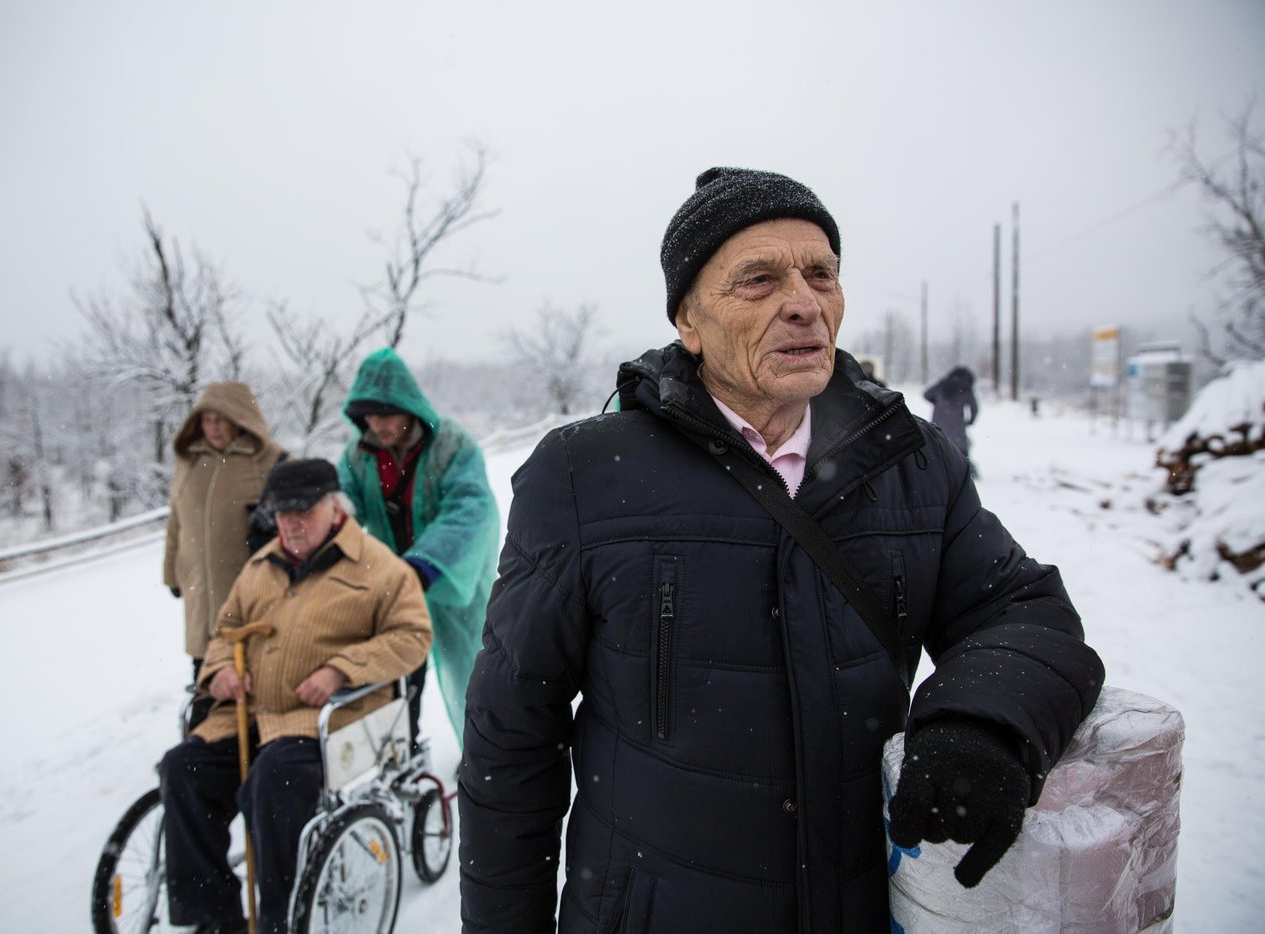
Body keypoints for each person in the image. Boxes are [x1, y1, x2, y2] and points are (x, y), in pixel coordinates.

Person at [459, 168, 1104, 933]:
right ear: (689, 323)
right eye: (758, 280)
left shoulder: (910, 461)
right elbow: (513, 735)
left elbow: (1022, 611)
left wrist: (984, 719)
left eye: (821, 274)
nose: (803, 301)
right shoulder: (585, 475)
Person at [159, 458, 432, 934]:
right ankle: (214, 916)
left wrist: (341, 669)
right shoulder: (260, 565)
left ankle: (279, 922)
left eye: (303, 510)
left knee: (275, 782)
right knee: (184, 768)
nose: (291, 522)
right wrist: (221, 668)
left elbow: (412, 637)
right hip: (249, 713)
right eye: (282, 512)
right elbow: (225, 630)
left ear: (334, 506)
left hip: (322, 719)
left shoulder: (379, 567)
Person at [336, 348, 499, 749]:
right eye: (370, 415)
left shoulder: (451, 445)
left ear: (408, 407)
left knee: (472, 675)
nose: (379, 423)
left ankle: (483, 757)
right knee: (395, 673)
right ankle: (398, 756)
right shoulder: (358, 455)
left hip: (450, 581)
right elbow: (342, 505)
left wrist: (424, 564)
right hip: (394, 585)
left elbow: (469, 508)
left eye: (387, 412)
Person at [163, 381, 284, 725]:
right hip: (200, 587)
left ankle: (247, 746)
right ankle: (203, 741)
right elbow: (176, 521)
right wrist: (171, 573)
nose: (214, 427)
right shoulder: (189, 462)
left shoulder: (270, 460)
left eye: (222, 418)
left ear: (241, 418)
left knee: (254, 669)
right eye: (207, 419)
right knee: (205, 665)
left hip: (249, 587)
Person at [924, 364, 979, 456]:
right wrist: (970, 421)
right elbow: (974, 408)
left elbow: (926, 394)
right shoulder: (965, 389)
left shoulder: (942, 385)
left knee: (937, 456)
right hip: (957, 433)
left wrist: (936, 401)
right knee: (961, 460)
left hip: (938, 429)